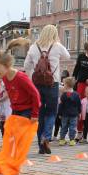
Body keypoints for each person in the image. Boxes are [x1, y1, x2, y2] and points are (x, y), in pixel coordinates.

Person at [24, 25, 70, 155]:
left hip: (37, 85)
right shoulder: (57, 46)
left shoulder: (33, 47)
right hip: (52, 83)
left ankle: (40, 145)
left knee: (40, 115)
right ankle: (46, 137)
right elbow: (68, 56)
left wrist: (34, 70)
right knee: (51, 112)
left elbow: (26, 65)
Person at [0, 51, 40, 121]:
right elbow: (11, 93)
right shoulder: (5, 77)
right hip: (15, 110)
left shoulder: (20, 77)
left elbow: (35, 94)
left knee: (20, 131)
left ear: (7, 65)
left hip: (26, 111)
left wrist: (35, 114)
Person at [57, 77, 81, 146]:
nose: (63, 86)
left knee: (63, 127)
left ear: (67, 85)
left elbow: (61, 105)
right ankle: (72, 140)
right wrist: (79, 112)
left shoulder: (63, 95)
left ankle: (62, 140)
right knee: (73, 127)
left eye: (64, 84)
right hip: (74, 115)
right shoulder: (76, 95)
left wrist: (59, 113)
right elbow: (79, 105)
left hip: (64, 114)